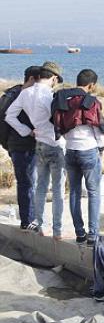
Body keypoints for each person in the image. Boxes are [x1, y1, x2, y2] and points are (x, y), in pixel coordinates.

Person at [5, 61, 65, 239]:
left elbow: (9, 116)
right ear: (53, 78)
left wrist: (27, 130)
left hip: (37, 142)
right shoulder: (49, 96)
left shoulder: (24, 93)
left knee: (38, 186)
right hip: (53, 144)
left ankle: (39, 224)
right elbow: (56, 121)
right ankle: (56, 229)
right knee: (57, 188)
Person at [52, 68, 104, 244]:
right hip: (88, 150)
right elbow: (98, 128)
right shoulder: (91, 101)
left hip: (70, 150)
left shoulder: (62, 98)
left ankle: (80, 233)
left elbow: (58, 123)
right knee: (93, 192)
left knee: (74, 192)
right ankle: (93, 235)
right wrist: (101, 149)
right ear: (91, 85)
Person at [0, 65, 40, 231]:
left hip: (18, 145)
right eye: (38, 82)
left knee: (29, 182)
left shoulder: (12, 93)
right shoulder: (16, 96)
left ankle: (31, 218)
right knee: (27, 183)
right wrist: (8, 144)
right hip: (21, 146)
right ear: (31, 79)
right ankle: (28, 220)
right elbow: (3, 120)